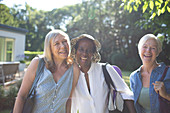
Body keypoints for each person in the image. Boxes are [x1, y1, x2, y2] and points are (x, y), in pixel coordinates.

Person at [13, 29, 80, 113]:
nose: (63, 46)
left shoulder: (74, 69)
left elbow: (69, 100)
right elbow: (21, 96)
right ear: (50, 48)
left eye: (65, 41)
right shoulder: (37, 63)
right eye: (57, 43)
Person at [70, 34, 136, 113]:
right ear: (75, 51)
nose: (84, 53)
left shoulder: (105, 69)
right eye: (81, 49)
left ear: (93, 53)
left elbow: (126, 92)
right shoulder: (72, 76)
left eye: (89, 50)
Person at [129, 34, 170, 113]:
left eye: (153, 48)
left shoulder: (168, 73)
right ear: (139, 50)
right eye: (145, 47)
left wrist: (166, 95)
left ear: (158, 52)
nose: (148, 51)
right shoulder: (134, 77)